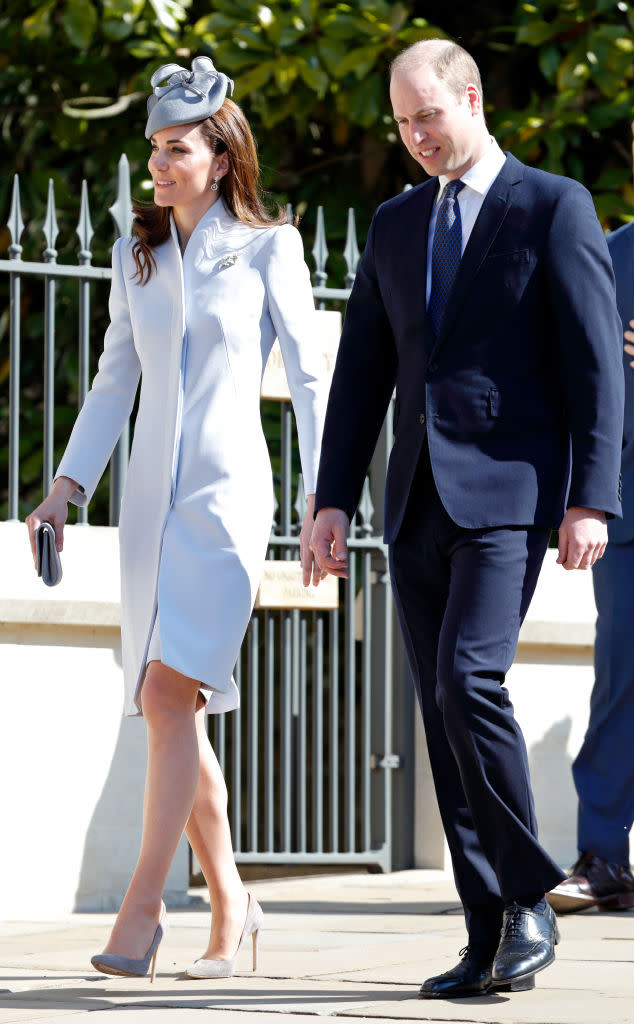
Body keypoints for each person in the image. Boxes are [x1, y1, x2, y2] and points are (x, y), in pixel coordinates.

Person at [310, 39, 624, 999]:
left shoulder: (553, 204)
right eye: (402, 123)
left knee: (464, 681)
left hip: (513, 496)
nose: (415, 137)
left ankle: (528, 896)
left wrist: (592, 496)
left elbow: (592, 365)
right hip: (414, 501)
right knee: (443, 720)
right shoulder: (398, 222)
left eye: (428, 115)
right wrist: (329, 497)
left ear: (471, 98)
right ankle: (488, 927)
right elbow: (363, 370)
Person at [26, 56, 326, 982]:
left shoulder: (271, 246)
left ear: (221, 155)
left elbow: (312, 379)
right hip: (149, 505)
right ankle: (235, 901)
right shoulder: (136, 251)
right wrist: (66, 487)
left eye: (175, 148)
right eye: (153, 148)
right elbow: (115, 380)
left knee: (166, 698)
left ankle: (145, 907)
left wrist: (326, 497)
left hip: (230, 502)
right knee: (172, 712)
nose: (157, 164)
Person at [546, 125, 634, 916]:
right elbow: (585, 376)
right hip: (631, 513)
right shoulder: (612, 256)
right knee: (622, 682)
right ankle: (604, 857)